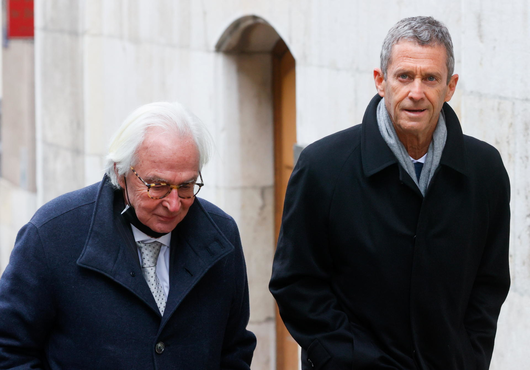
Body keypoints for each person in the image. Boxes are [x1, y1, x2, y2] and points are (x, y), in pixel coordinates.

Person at [270, 16, 510, 370]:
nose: (416, 92)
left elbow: (489, 284)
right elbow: (296, 284)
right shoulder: (323, 167)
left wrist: (469, 358)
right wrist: (345, 359)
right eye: (404, 76)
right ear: (380, 82)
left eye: (430, 78)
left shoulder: (484, 170)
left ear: (451, 86)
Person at [0, 102, 256, 369]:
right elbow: (9, 351)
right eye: (157, 186)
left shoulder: (223, 236)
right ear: (120, 174)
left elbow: (234, 349)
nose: (174, 204)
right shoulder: (51, 234)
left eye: (186, 186)